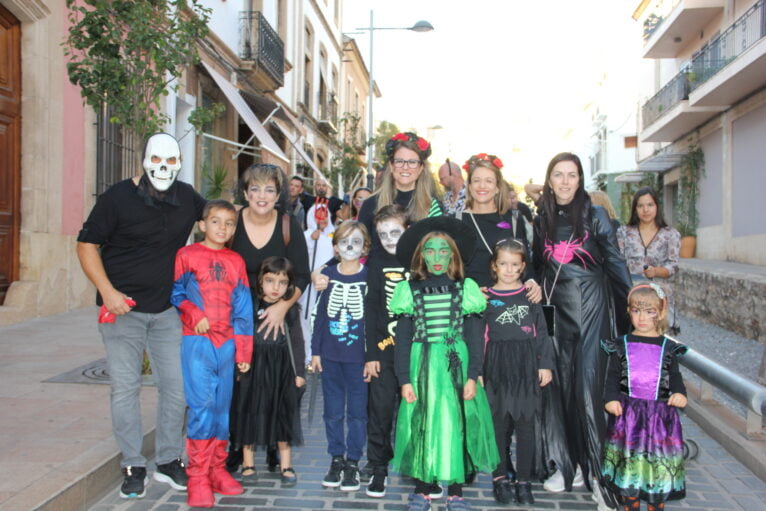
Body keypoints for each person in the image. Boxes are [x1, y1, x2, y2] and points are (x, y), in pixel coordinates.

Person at [76, 133, 204, 498]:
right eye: (157, 161)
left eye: (171, 162)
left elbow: (218, 220)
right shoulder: (116, 197)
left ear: (179, 163)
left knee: (176, 388)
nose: (163, 169)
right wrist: (107, 292)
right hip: (123, 311)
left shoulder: (186, 197)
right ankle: (133, 462)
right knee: (125, 390)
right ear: (144, 160)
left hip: (167, 311)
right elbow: (86, 245)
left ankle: (167, 460)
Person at [532, 152, 631, 509]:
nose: (564, 182)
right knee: (554, 384)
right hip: (552, 311)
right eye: (557, 175)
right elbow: (535, 265)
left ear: (580, 179)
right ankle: (563, 464)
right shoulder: (540, 217)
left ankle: (598, 477)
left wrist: (633, 304)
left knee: (587, 389)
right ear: (549, 178)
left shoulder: (596, 214)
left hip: (590, 309)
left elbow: (615, 262)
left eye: (571, 175)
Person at [391, 216, 499, 511]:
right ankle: (423, 489)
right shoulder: (409, 290)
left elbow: (476, 338)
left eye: (443, 251)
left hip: (455, 364)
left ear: (453, 254)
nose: (436, 258)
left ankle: (456, 490)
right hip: (421, 365)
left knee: (457, 423)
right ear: (420, 256)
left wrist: (473, 375)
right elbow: (402, 340)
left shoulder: (466, 289)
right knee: (421, 423)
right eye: (430, 251)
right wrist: (404, 379)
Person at [226, 163, 310, 473]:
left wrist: (282, 307)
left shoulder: (288, 226)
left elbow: (302, 275)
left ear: (279, 194)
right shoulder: (232, 222)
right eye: (256, 188)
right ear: (245, 192)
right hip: (238, 315)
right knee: (241, 382)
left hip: (280, 314)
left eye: (270, 189)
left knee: (279, 380)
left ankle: (277, 444)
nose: (262, 196)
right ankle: (238, 445)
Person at [169, 200, 253, 507]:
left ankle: (217, 469)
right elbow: (177, 293)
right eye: (216, 221)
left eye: (229, 223)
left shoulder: (236, 261)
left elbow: (243, 308)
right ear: (202, 225)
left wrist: (244, 349)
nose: (223, 228)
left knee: (221, 408)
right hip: (198, 341)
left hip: (227, 343)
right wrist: (193, 313)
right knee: (202, 406)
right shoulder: (187, 255)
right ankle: (198, 477)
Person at [601, 283, 687, 511]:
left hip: (659, 417)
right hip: (629, 416)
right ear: (629, 311)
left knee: (657, 467)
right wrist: (610, 398)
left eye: (649, 312)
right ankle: (630, 504)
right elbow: (612, 376)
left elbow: (675, 376)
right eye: (636, 311)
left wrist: (679, 393)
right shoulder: (621, 345)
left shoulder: (668, 347)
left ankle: (655, 505)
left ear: (660, 313)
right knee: (630, 466)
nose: (642, 318)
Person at [484, 239, 554, 506]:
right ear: (494, 266)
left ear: (523, 267)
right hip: (497, 367)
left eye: (515, 265)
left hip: (526, 366)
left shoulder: (531, 296)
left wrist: (544, 363)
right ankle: (500, 478)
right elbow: (479, 337)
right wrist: (477, 372)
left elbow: (543, 332)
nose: (509, 269)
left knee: (526, 427)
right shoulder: (487, 297)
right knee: (499, 426)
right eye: (503, 264)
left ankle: (523, 480)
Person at [229, 257, 306, 487]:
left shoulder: (289, 309)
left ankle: (286, 464)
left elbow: (297, 341)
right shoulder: (251, 305)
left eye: (282, 283)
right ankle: (248, 462)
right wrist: (239, 363)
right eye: (270, 281)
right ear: (260, 281)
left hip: (281, 369)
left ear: (289, 285)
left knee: (283, 414)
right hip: (253, 368)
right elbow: (239, 335)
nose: (276, 288)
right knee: (250, 412)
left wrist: (299, 372)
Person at [311, 221, 371, 492]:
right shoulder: (327, 277)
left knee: (357, 413)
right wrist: (315, 352)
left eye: (355, 242)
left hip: (359, 359)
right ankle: (336, 458)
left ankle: (353, 462)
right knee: (333, 412)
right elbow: (318, 316)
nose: (349, 247)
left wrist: (373, 356)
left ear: (364, 247)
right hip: (331, 357)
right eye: (344, 242)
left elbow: (375, 320)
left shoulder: (369, 278)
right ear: (335, 247)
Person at [361, 205, 411, 498]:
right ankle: (378, 466)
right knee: (379, 411)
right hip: (382, 353)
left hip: (414, 353)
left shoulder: (419, 261)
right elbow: (370, 309)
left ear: (407, 230)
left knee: (412, 410)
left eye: (395, 232)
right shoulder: (376, 263)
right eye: (382, 234)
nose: (389, 239)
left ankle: (413, 462)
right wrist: (370, 355)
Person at [459, 153, 540, 300]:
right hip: (472, 305)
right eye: (476, 181)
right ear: (469, 186)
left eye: (489, 181)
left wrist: (531, 281)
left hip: (509, 300)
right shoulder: (457, 221)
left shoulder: (514, 220)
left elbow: (525, 261)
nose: (482, 186)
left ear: (497, 187)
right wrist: (467, 291)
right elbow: (452, 269)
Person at [357, 132, 443, 255]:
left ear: (420, 168)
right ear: (391, 166)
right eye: (399, 161)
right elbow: (359, 245)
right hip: (378, 273)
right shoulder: (371, 204)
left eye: (412, 162)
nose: (405, 167)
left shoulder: (433, 207)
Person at [616, 187, 681, 334]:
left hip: (659, 293)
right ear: (635, 209)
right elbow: (618, 261)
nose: (646, 210)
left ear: (657, 206)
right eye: (641, 206)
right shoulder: (624, 232)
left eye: (650, 205)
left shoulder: (670, 234)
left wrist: (656, 271)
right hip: (630, 293)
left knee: (659, 341)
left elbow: (673, 265)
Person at [299, 206, 335, 363]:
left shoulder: (333, 237)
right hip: (309, 287)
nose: (322, 220)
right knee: (306, 319)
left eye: (325, 216)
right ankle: (307, 354)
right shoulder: (306, 235)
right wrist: (312, 240)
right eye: (318, 216)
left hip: (327, 284)